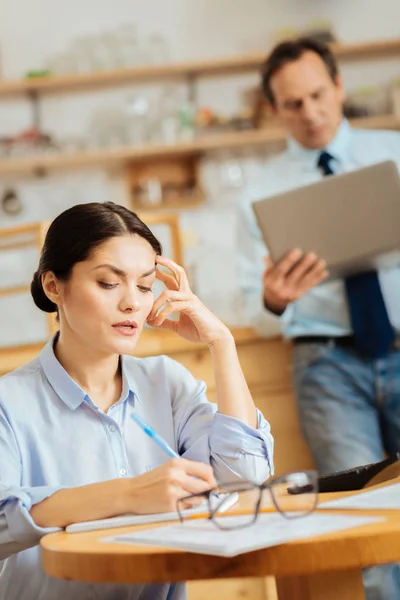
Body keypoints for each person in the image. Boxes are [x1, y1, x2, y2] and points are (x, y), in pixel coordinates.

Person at [0, 201, 274, 600]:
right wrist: (127, 495)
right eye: (109, 283)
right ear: (53, 285)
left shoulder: (167, 382)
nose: (133, 302)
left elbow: (246, 477)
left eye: (145, 286)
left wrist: (222, 343)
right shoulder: (9, 402)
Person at [237, 37, 400, 600]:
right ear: (274, 110)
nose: (310, 113)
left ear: (339, 87)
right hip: (327, 365)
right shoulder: (258, 193)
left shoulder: (395, 154)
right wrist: (276, 298)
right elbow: (249, 309)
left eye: (317, 95)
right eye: (292, 104)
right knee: (364, 527)